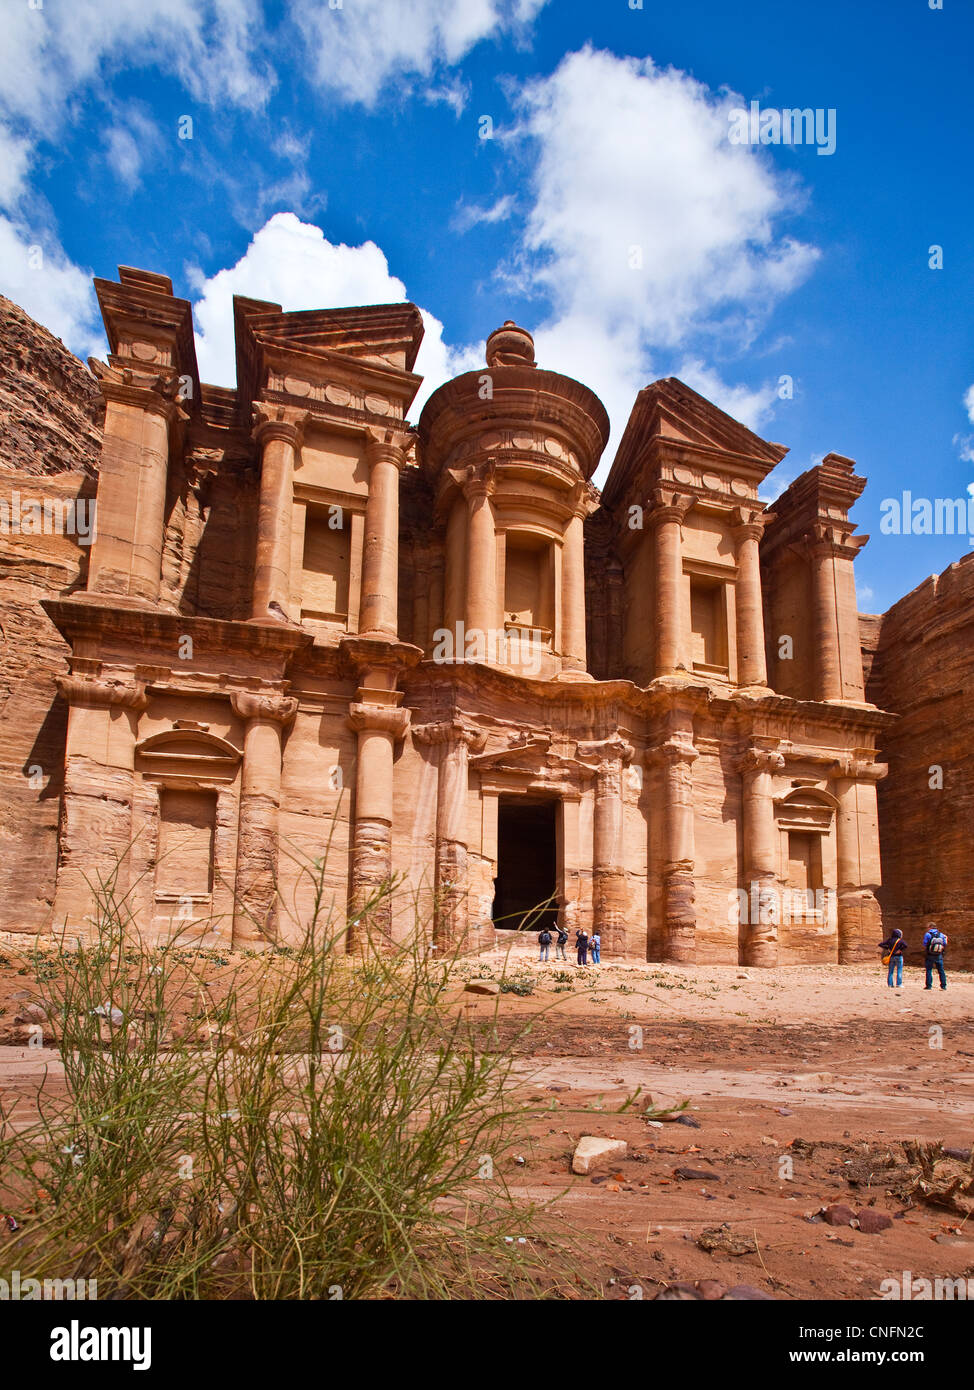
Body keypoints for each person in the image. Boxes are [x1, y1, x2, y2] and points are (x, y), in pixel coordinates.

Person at [922, 922, 948, 991]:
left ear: (930, 927)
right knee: (941, 971)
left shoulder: (928, 934)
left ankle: (929, 986)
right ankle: (943, 986)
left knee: (929, 970)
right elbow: (944, 944)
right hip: (938, 955)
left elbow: (924, 944)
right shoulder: (941, 935)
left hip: (930, 955)